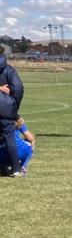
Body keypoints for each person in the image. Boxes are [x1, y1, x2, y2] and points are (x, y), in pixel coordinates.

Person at [0, 47, 25, 177]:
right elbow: (19, 88)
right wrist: (14, 106)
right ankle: (15, 169)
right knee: (10, 139)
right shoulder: (9, 69)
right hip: (6, 109)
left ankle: (3, 166)